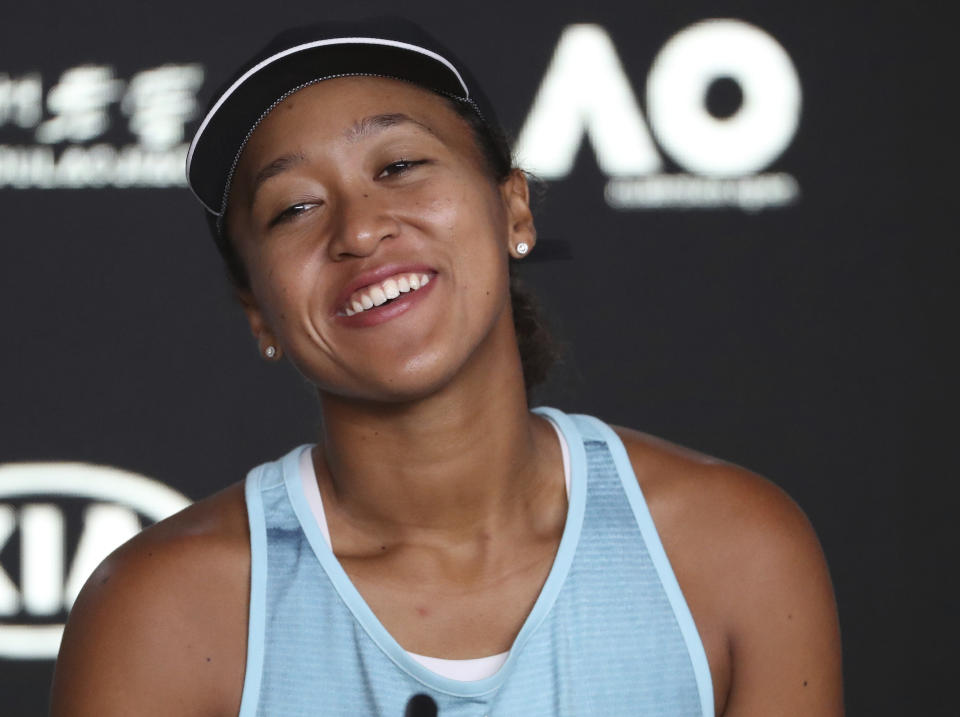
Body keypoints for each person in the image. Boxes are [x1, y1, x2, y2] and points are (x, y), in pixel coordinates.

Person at [50, 18, 843, 717]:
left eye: (398, 166)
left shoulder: (736, 548)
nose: (359, 230)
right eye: (294, 207)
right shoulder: (161, 612)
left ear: (515, 210)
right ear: (259, 311)